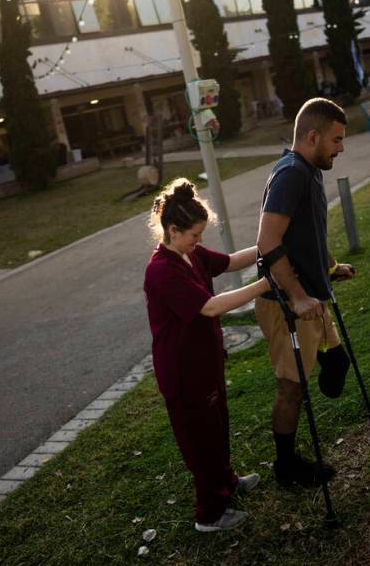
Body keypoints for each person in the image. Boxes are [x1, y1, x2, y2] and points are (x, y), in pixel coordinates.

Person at [143, 178, 270, 533]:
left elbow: (229, 262)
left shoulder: (190, 254)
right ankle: (209, 514)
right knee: (201, 442)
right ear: (173, 230)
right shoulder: (161, 271)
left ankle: (227, 483)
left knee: (217, 429)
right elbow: (211, 307)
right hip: (182, 371)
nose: (199, 241)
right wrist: (265, 283)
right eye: (194, 234)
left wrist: (268, 249)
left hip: (206, 361)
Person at [256, 97, 356, 488]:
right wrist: (297, 295)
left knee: (337, 364)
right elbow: (268, 241)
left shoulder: (312, 168)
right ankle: (286, 466)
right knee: (292, 389)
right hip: (285, 303)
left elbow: (309, 232)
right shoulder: (290, 174)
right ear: (312, 136)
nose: (341, 148)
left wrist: (331, 267)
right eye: (336, 139)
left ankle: (322, 369)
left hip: (312, 297)